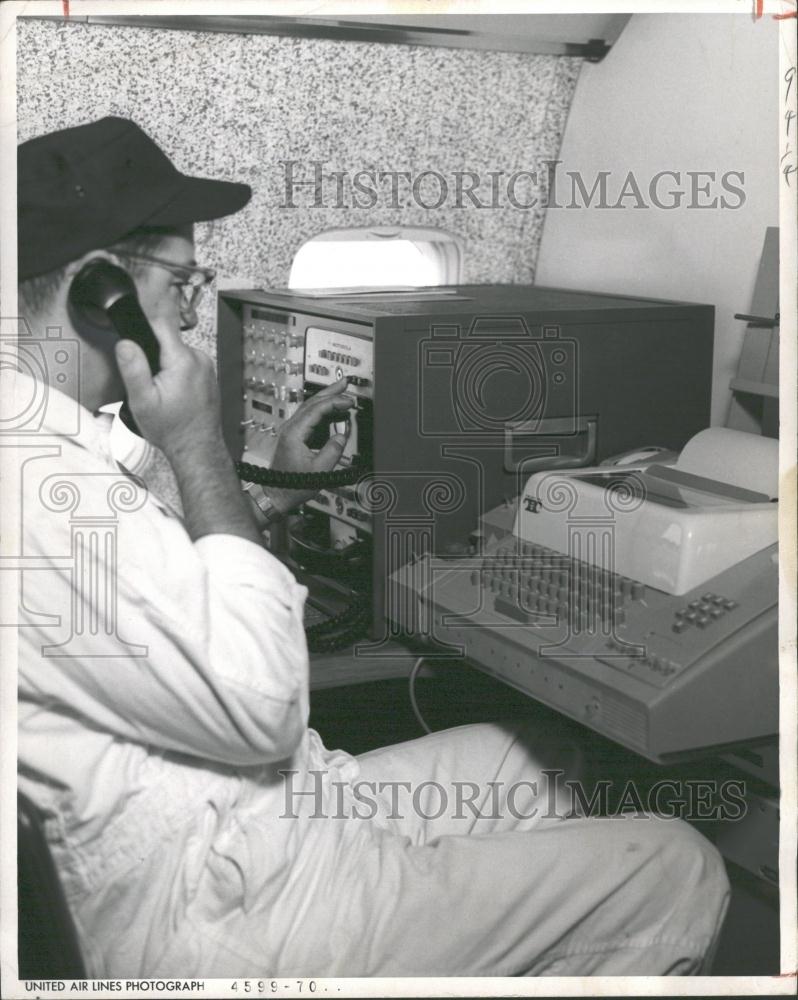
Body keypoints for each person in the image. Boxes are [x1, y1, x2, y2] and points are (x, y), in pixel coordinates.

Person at [13, 116, 730, 979]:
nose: (192, 314)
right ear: (101, 293)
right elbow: (264, 701)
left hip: (263, 813)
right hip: (236, 907)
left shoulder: (56, 449)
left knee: (554, 762)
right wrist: (197, 439)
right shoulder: (40, 493)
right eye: (184, 283)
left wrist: (271, 490)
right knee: (679, 865)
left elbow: (180, 602)